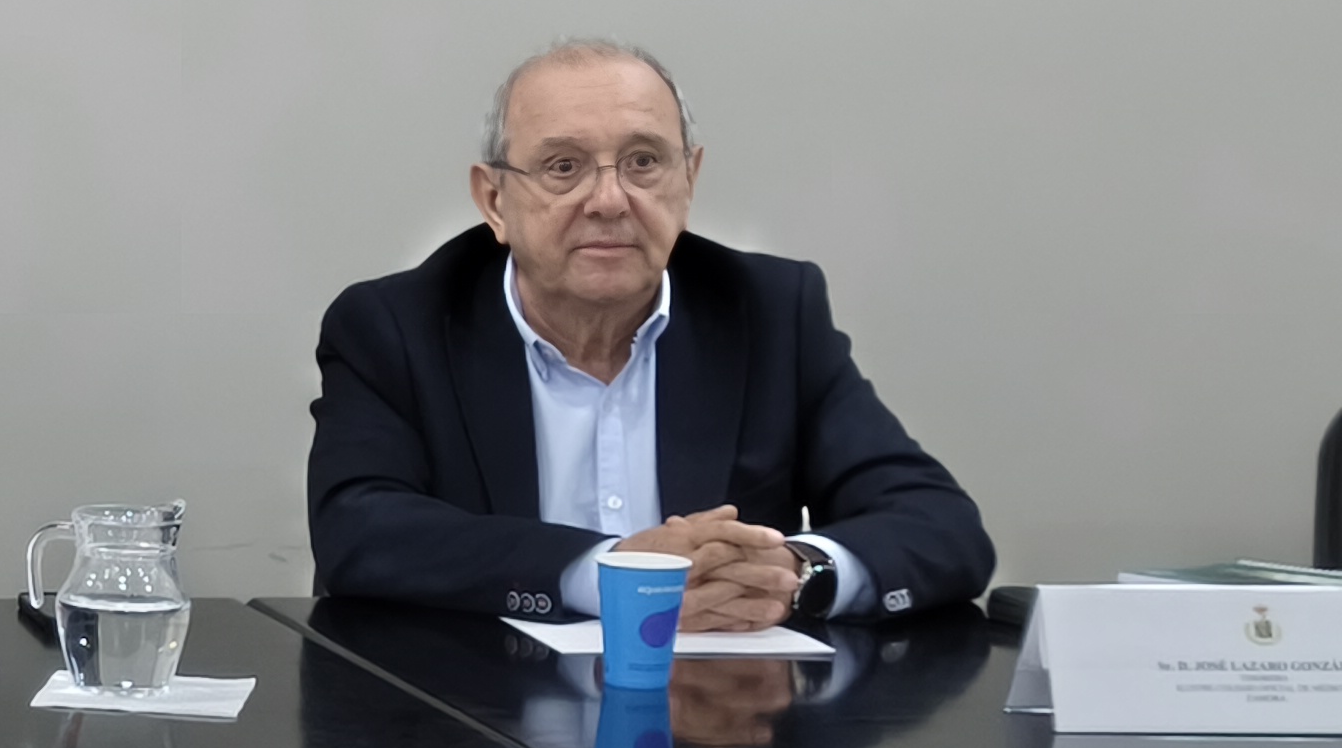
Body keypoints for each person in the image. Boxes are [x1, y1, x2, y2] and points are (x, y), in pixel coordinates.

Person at [308, 40, 990, 629]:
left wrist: (796, 572)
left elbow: (941, 526)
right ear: (495, 202)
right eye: (563, 167)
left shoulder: (769, 313)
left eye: (642, 162)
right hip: (473, 720)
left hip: (724, 724)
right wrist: (613, 574)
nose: (609, 201)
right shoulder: (396, 327)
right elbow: (361, 532)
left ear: (687, 181)